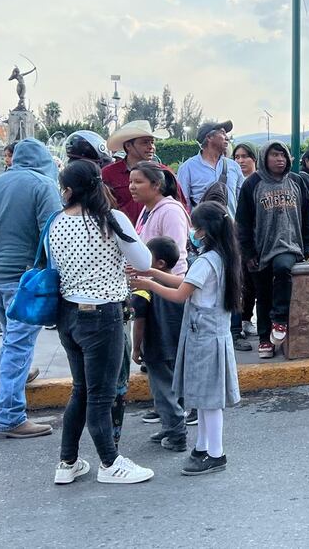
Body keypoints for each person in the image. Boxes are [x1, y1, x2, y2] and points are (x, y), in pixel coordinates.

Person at [48, 160, 155, 485]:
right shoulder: (112, 219)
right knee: (100, 395)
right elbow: (143, 261)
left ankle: (67, 462)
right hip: (102, 315)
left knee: (80, 389)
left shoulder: (56, 221)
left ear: (68, 190)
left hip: (67, 314)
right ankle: (109, 463)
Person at [131, 202, 242, 476]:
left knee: (209, 401)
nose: (193, 233)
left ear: (205, 230)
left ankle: (215, 454)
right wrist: (152, 273)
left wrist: (150, 284)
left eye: (196, 228)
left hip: (204, 338)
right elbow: (184, 281)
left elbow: (181, 294)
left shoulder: (206, 261)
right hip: (211, 336)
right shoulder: (222, 257)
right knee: (203, 399)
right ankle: (203, 447)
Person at [0, 138, 63, 440]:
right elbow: (52, 232)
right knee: (17, 345)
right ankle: (8, 416)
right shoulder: (43, 185)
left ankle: (20, 375)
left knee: (12, 338)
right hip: (25, 279)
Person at [236, 141, 309, 358]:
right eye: (274, 155)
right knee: (262, 292)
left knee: (283, 268)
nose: (280, 159)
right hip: (260, 248)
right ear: (264, 157)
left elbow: (307, 215)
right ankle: (265, 339)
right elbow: (243, 222)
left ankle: (280, 319)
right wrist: (248, 253)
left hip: (289, 244)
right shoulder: (252, 184)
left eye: (283, 155)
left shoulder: (296, 181)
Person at [129, 237, 188, 452]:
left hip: (157, 346)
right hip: (179, 345)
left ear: (159, 263)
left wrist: (136, 348)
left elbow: (139, 320)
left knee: (163, 393)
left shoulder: (144, 287)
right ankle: (170, 426)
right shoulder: (180, 284)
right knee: (177, 389)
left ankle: (177, 434)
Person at [103, 120, 182, 224]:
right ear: (128, 146)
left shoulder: (164, 172)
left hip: (157, 230)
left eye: (152, 142)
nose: (151, 147)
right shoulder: (108, 173)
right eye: (145, 142)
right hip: (120, 230)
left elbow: (180, 204)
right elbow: (101, 207)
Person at [177, 121, 243, 216]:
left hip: (230, 225)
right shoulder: (187, 168)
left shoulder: (234, 166)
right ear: (209, 137)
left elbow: (241, 201)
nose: (227, 138)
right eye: (222, 133)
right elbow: (183, 205)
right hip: (200, 225)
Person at [230, 141, 259, 339]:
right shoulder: (233, 179)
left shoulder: (260, 181)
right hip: (236, 235)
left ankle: (248, 319)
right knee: (242, 280)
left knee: (254, 281)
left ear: (254, 158)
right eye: (237, 157)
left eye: (244, 156)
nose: (240, 161)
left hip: (257, 236)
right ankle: (241, 320)